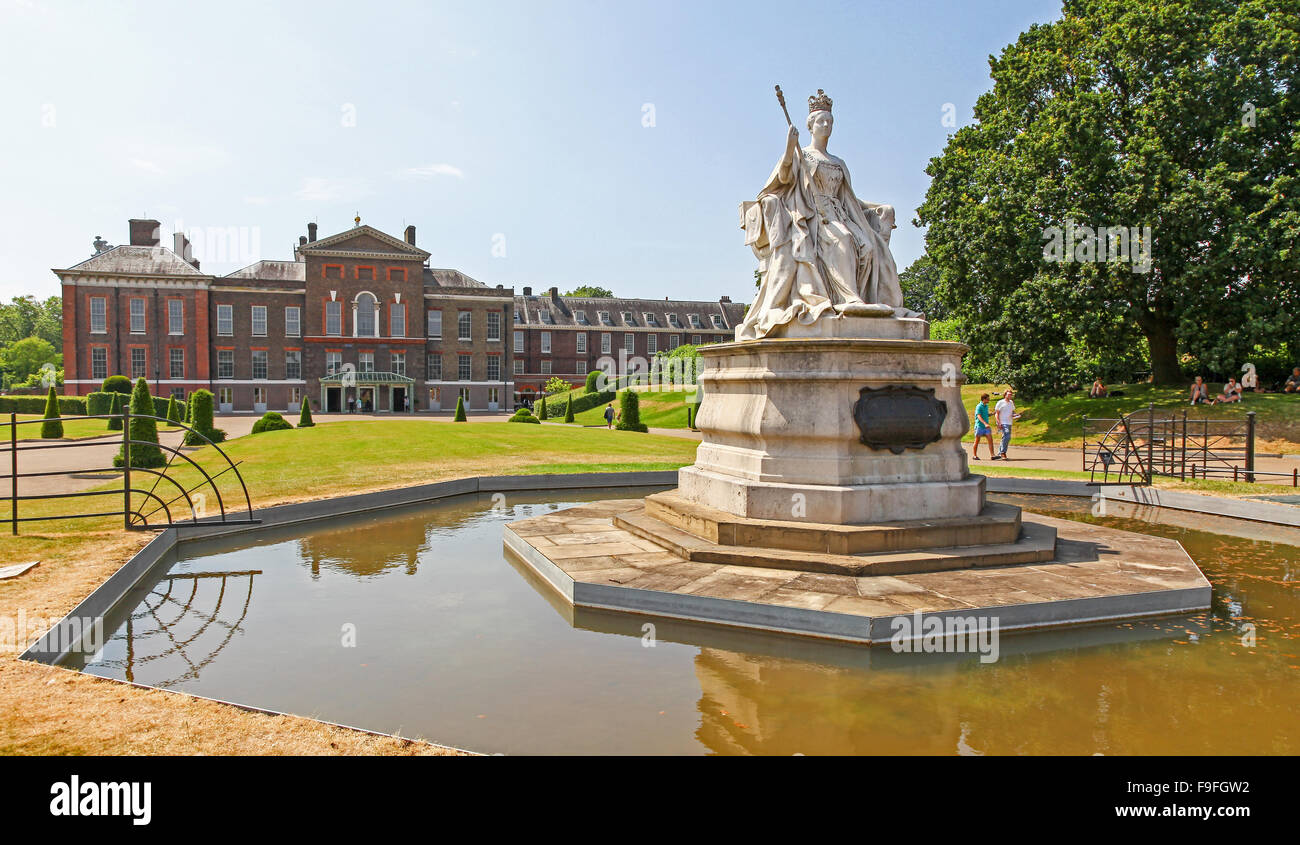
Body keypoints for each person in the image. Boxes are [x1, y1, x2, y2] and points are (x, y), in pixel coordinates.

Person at [991, 389, 1020, 460]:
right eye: (1009, 394)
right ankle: (1003, 452)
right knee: (1007, 436)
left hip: (1009, 422)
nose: (1010, 396)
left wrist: (1016, 415)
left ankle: (1000, 453)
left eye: (1011, 394)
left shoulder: (1011, 402)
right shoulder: (1000, 402)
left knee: (1005, 437)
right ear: (1005, 395)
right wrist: (998, 422)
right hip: (1003, 422)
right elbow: (996, 414)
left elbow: (1012, 412)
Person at [971, 393, 995, 460]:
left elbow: (986, 414)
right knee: (977, 441)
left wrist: (992, 414)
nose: (989, 400)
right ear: (984, 399)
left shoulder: (986, 406)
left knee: (990, 440)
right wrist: (985, 423)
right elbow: (978, 416)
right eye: (987, 399)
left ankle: (992, 455)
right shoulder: (979, 406)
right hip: (979, 427)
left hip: (986, 427)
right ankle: (975, 455)